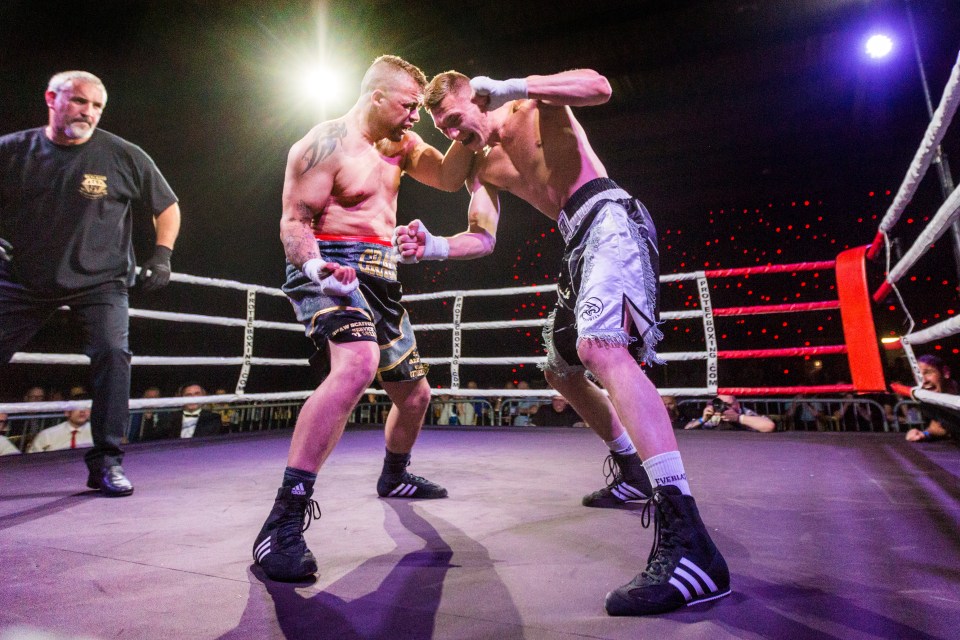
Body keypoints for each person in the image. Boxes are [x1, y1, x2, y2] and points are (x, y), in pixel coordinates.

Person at [395, 67, 729, 615]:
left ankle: (689, 539)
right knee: (561, 368)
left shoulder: (533, 106)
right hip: (575, 243)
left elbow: (600, 85)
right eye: (443, 130)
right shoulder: (482, 167)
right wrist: (433, 247)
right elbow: (481, 238)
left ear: (476, 97)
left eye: (455, 119)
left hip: (608, 217)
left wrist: (517, 86)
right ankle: (629, 469)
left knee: (602, 348)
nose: (453, 134)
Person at [251, 55, 475, 582]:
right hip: (328, 266)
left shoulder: (400, 145)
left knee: (416, 397)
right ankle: (281, 522)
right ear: (377, 97)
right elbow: (294, 221)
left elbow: (446, 177)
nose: (415, 117)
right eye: (407, 105)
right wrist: (314, 267)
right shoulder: (322, 144)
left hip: (383, 275)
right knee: (356, 364)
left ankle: (394, 476)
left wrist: (471, 127)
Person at [0, 71, 181, 496]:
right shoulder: (12, 151)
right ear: (51, 98)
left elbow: (168, 206)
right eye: (80, 101)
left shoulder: (122, 154)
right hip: (23, 277)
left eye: (97, 106)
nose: (89, 112)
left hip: (101, 279)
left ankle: (106, 462)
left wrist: (162, 254)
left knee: (113, 354)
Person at [905, 354, 960, 442]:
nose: (924, 381)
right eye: (918, 375)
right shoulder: (926, 401)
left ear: (945, 372)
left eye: (928, 372)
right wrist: (924, 434)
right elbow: (941, 427)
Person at [147, 383, 222, 440]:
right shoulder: (169, 418)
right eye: (188, 395)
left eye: (197, 394)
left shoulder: (213, 418)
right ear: (181, 398)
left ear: (204, 396)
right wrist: (148, 419)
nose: (192, 398)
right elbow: (155, 439)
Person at [683, 394, 776, 433]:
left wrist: (738, 418)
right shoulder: (713, 416)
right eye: (720, 404)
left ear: (737, 405)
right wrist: (702, 419)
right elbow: (687, 429)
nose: (723, 408)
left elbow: (769, 426)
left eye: (728, 404)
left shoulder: (743, 412)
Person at [28, 404, 93, 453]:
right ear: (67, 412)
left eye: (86, 408)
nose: (82, 411)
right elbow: (32, 459)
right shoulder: (47, 434)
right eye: (77, 407)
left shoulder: (99, 432)